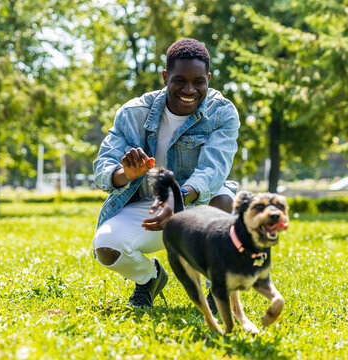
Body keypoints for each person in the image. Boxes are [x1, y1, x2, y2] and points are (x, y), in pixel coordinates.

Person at [92, 38, 240, 308]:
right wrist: (125, 174)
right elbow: (103, 167)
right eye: (179, 81)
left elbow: (213, 170)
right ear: (165, 77)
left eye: (198, 82)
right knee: (106, 247)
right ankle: (149, 278)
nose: (189, 89)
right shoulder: (134, 112)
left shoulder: (222, 113)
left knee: (224, 200)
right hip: (151, 205)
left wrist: (178, 196)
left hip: (200, 201)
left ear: (208, 78)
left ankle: (217, 289)